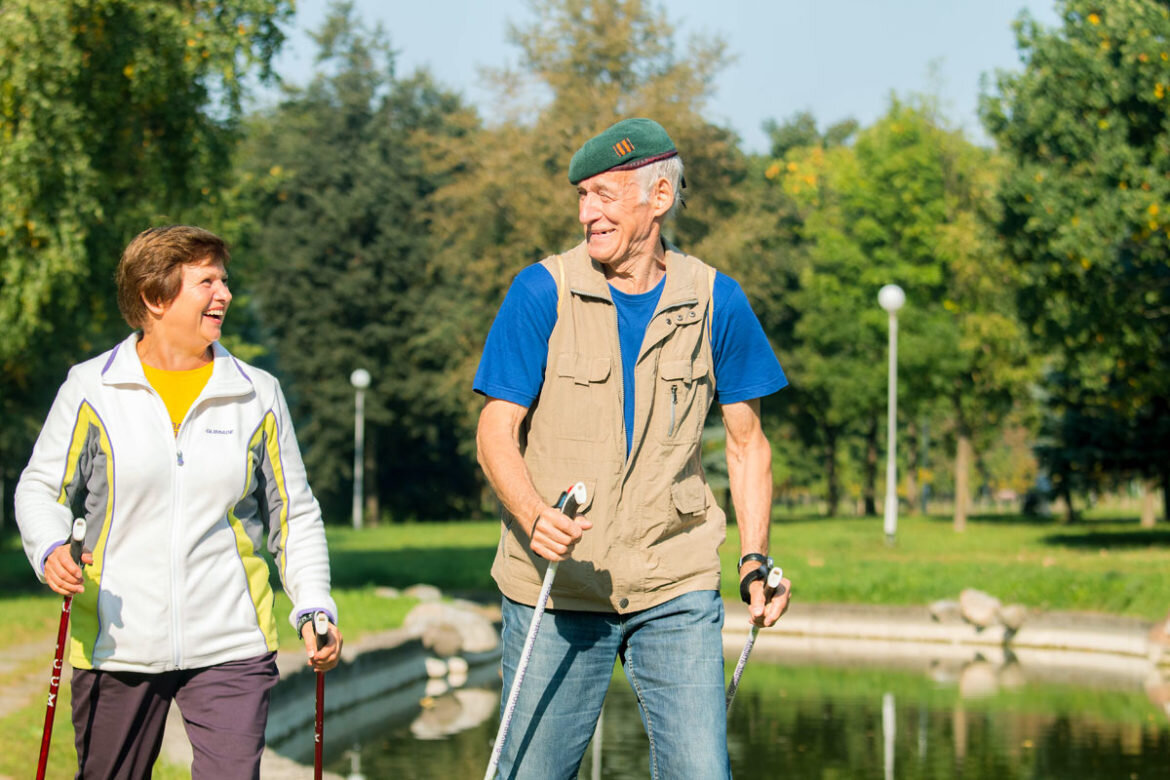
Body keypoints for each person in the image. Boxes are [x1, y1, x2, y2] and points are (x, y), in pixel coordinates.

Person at [474, 117, 792, 778]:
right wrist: (533, 514)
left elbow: (748, 445)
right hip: (557, 588)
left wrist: (754, 559)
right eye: (581, 197)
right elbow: (495, 430)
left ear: (660, 197)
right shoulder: (541, 290)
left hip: (675, 580)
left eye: (604, 195)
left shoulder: (717, 300)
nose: (586, 213)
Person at [15, 225, 343, 779]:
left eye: (225, 281)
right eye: (207, 282)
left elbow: (295, 514)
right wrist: (49, 547)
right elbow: (40, 488)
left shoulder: (256, 393)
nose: (225, 294)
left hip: (232, 642)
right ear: (155, 297)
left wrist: (313, 605)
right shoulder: (91, 388)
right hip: (117, 642)